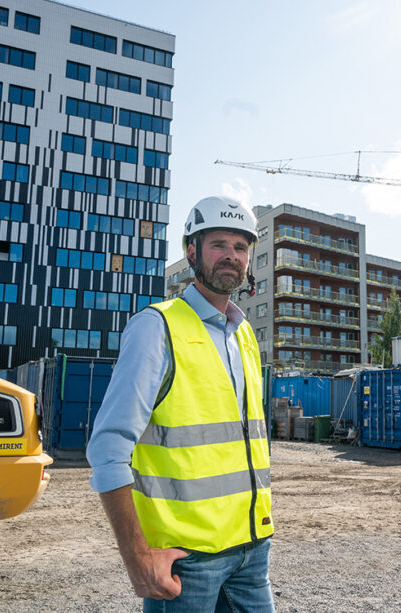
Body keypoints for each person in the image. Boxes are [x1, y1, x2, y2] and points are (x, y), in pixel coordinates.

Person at [87, 196, 274, 612]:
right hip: (187, 561)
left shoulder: (243, 335)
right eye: (218, 245)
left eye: (240, 247)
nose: (231, 256)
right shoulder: (157, 327)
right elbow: (107, 449)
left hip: (252, 548)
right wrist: (137, 559)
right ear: (192, 251)